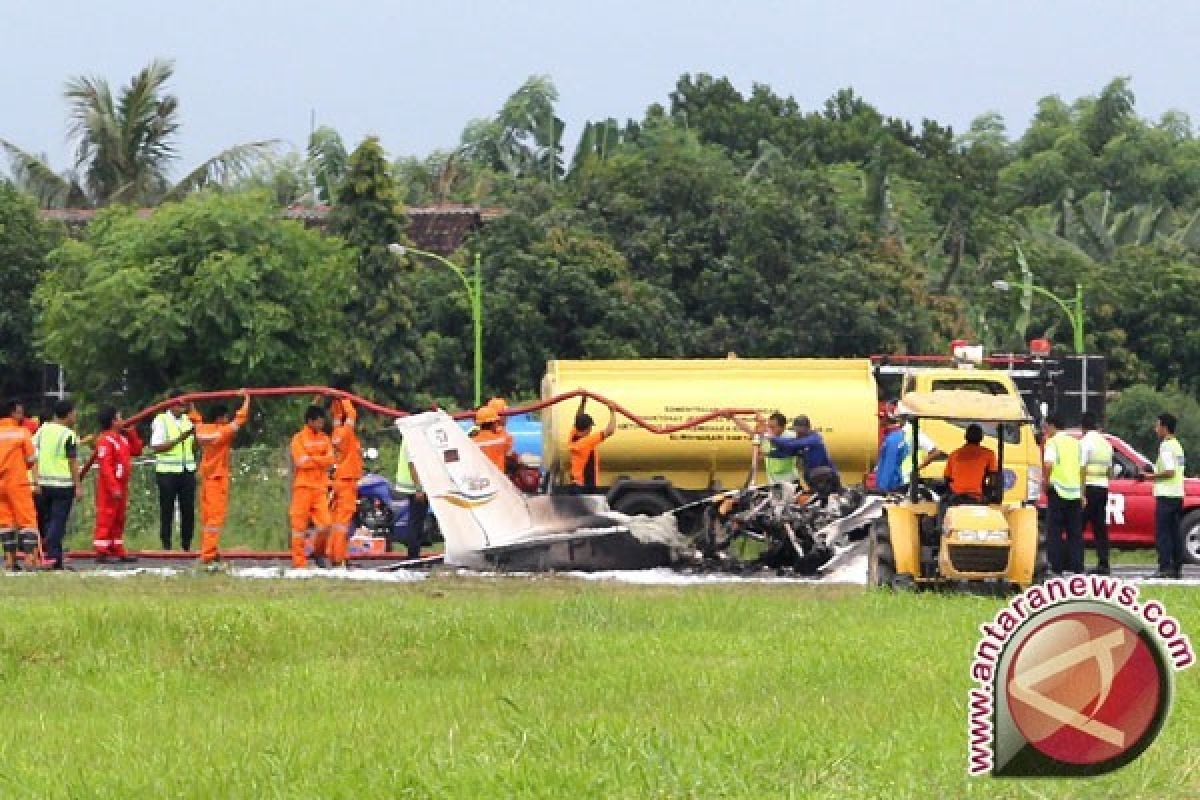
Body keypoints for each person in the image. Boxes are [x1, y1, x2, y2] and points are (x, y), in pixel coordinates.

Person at [188, 392, 250, 566]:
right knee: (215, 519)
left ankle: (210, 550)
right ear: (221, 418)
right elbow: (240, 420)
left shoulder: (203, 431)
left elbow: (196, 421)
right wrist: (246, 400)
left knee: (207, 518)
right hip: (217, 478)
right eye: (225, 417)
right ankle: (208, 554)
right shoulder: (223, 432)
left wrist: (192, 407)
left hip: (206, 479)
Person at [33, 400, 83, 570]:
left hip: (42, 483)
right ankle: (53, 557)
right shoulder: (68, 435)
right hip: (62, 485)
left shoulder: (41, 431)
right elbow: (72, 462)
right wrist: (78, 485)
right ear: (68, 414)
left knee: (47, 522)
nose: (75, 416)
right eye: (74, 413)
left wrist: (35, 480)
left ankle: (53, 557)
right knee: (57, 522)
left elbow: (32, 455)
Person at [92, 406, 143, 564]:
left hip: (122, 485)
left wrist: (132, 433)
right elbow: (105, 467)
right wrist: (113, 487)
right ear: (113, 421)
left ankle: (117, 547)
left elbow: (137, 450)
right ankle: (101, 550)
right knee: (106, 517)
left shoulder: (121, 438)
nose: (123, 420)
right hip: (109, 488)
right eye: (120, 417)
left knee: (119, 518)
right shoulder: (105, 441)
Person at [1141, 412, 1186, 579]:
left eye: (1157, 425)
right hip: (1177, 494)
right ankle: (1176, 567)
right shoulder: (1177, 445)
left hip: (1166, 495)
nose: (1155, 429)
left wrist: (1149, 477)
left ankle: (1164, 567)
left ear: (1165, 428)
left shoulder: (1166, 446)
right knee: (1175, 532)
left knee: (1164, 533)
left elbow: (1169, 471)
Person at [150, 391, 197, 551]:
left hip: (186, 470)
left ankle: (186, 545)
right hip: (167, 472)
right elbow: (156, 446)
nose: (181, 407)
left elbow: (194, 443)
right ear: (170, 404)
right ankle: (166, 545)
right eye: (179, 404)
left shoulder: (188, 420)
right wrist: (178, 440)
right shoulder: (161, 420)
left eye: (184, 404)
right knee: (167, 509)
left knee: (188, 509)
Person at [289, 405, 335, 568]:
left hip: (320, 489)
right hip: (302, 488)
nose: (321, 425)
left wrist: (312, 459)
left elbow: (330, 460)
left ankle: (319, 552)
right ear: (310, 421)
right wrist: (320, 459)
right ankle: (299, 563)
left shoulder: (325, 438)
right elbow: (300, 461)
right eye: (319, 422)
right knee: (298, 528)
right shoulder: (298, 439)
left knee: (326, 524)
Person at [0, 399, 40, 571]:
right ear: (12, 413)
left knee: (5, 522)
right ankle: (30, 558)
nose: (22, 416)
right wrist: (36, 481)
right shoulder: (22, 432)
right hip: (18, 481)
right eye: (20, 412)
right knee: (27, 520)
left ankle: (9, 559)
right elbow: (31, 460)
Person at [1042, 414, 1084, 575]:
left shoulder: (1053, 442)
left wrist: (1045, 483)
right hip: (1074, 492)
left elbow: (1048, 464)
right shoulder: (1075, 443)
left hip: (1058, 491)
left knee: (1055, 532)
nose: (1045, 430)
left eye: (1046, 427)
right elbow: (1081, 468)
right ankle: (1077, 567)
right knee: (1075, 533)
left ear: (1052, 426)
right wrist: (1081, 492)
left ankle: (1056, 567)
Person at [328, 397, 362, 567]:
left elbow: (337, 418)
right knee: (343, 523)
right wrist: (345, 398)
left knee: (336, 522)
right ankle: (338, 557)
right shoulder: (346, 433)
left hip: (339, 481)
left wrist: (336, 403)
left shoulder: (335, 434)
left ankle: (335, 554)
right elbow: (352, 414)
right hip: (347, 481)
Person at [762, 415, 840, 490]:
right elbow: (786, 452)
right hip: (813, 478)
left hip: (827, 477)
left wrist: (772, 438)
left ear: (807, 428)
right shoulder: (800, 440)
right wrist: (767, 454)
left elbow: (791, 444)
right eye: (796, 430)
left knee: (817, 474)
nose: (797, 433)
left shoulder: (814, 438)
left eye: (799, 430)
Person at [1079, 411, 1114, 576]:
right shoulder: (1106, 443)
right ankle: (1104, 563)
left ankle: (1076, 562)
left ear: (1083, 427)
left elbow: (1082, 468)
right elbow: (1110, 470)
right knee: (1100, 528)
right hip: (1103, 488)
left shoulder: (1085, 442)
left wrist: (1081, 493)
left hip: (1089, 488)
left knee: (1078, 526)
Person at [730, 412, 799, 486]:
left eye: (773, 427)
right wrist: (733, 417)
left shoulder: (791, 436)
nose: (770, 430)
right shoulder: (767, 436)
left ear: (783, 427)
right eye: (769, 427)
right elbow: (748, 430)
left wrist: (763, 425)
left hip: (789, 481)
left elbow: (780, 445)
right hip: (773, 482)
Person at [568, 396, 617, 491]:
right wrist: (612, 411)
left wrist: (583, 401)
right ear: (587, 428)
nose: (591, 429)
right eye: (590, 427)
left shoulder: (573, 435)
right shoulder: (587, 442)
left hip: (576, 485)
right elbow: (610, 431)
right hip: (586, 486)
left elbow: (578, 418)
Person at [943, 424, 997, 502]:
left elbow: (947, 478)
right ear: (981, 438)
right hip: (977, 496)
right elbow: (993, 478)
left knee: (942, 505)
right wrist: (989, 495)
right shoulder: (989, 454)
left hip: (956, 496)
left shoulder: (954, 454)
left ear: (965, 436)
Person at [395, 434, 429, 560]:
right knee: (416, 523)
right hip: (414, 487)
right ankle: (413, 557)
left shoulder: (409, 435)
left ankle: (414, 555)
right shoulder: (413, 436)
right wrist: (419, 488)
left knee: (417, 522)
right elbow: (412, 464)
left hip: (413, 486)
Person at [471, 406, 514, 474]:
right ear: (494, 423)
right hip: (499, 478)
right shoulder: (504, 438)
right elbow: (510, 455)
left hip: (483, 478)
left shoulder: (472, 441)